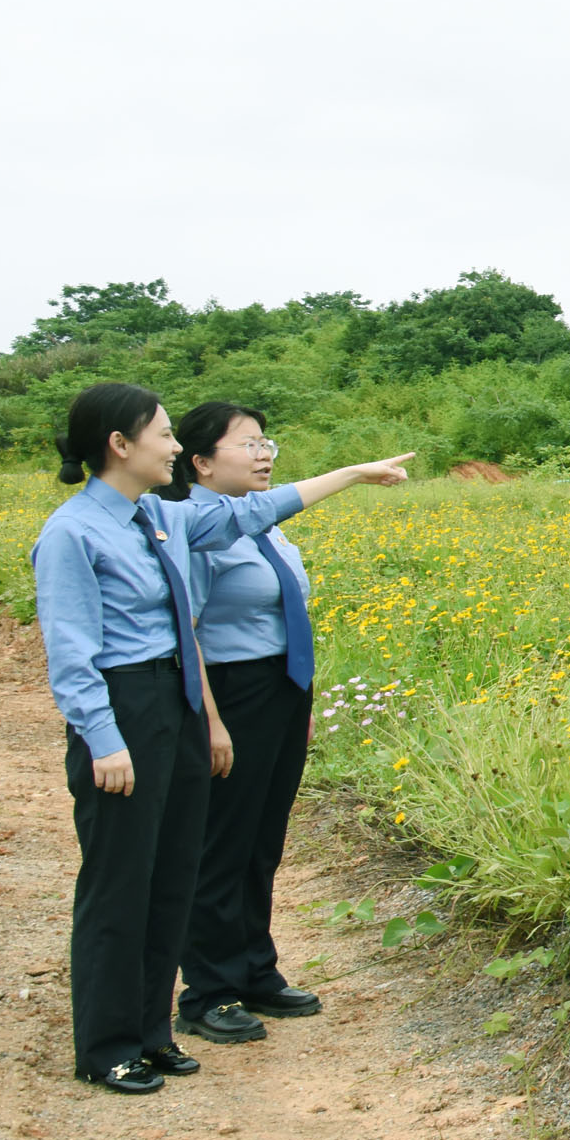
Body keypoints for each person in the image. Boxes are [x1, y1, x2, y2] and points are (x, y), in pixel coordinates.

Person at [30, 383, 411, 1095]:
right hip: (124, 703)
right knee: (120, 881)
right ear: (120, 444)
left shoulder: (158, 518)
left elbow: (258, 510)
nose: (176, 447)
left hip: (172, 698)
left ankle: (152, 1032)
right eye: (165, 434)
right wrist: (103, 737)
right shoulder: (73, 532)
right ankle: (107, 1045)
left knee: (172, 871)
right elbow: (72, 650)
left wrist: (354, 474)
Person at [162, 402, 323, 1046]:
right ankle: (208, 991)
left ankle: (256, 969)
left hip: (280, 691)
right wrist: (213, 721)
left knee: (263, 838)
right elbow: (186, 631)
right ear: (200, 463)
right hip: (232, 691)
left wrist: (298, 701)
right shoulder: (194, 532)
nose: (264, 455)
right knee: (221, 843)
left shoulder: (267, 528)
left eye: (267, 442)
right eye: (248, 444)